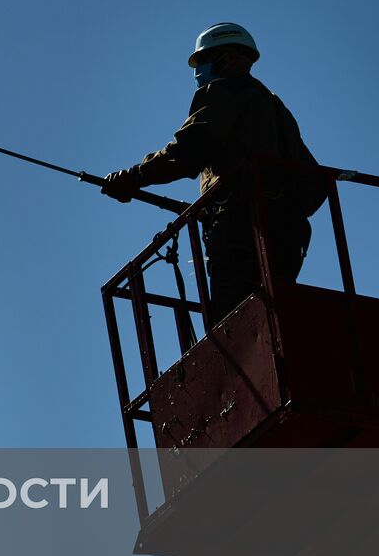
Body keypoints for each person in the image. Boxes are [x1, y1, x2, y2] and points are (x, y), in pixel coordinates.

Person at [102, 23, 324, 328]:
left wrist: (133, 177)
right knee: (277, 315)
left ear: (228, 58)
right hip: (286, 234)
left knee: (235, 323)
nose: (200, 71)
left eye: (203, 61)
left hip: (241, 232)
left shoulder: (224, 91)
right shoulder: (274, 106)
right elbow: (313, 182)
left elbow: (188, 152)